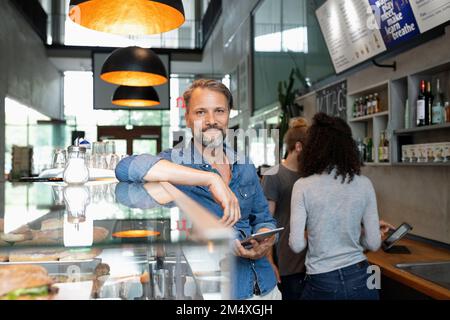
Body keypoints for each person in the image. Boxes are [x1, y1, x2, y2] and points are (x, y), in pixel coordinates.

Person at [115, 79, 280, 300]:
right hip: (218, 291)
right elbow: (125, 167)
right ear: (188, 118)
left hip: (267, 286)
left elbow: (263, 218)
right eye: (201, 112)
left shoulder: (243, 163)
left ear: (228, 114)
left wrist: (264, 239)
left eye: (219, 111)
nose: (211, 121)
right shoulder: (174, 162)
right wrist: (210, 178)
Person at [289, 112, 388, 300]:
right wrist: (362, 232)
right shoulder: (364, 183)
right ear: (348, 146)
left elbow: (296, 245)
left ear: (313, 147)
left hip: (322, 280)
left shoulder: (302, 186)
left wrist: (319, 230)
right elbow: (374, 244)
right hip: (361, 276)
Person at [261, 118, 308, 300]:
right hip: (286, 262)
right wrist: (269, 261)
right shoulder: (275, 175)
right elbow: (266, 222)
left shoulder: (309, 175)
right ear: (298, 147)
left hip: (310, 262)